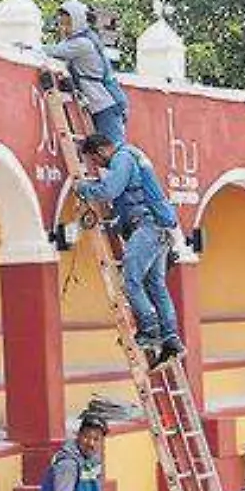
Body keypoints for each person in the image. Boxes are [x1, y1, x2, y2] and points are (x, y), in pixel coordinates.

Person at [75, 132, 184, 366]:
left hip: (146, 227)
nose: (98, 166)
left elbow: (109, 191)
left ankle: (149, 329)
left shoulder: (122, 159)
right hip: (161, 227)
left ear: (102, 151)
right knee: (156, 286)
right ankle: (171, 340)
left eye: (95, 161)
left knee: (130, 280)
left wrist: (83, 188)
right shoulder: (135, 154)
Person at [40, 0, 128, 144]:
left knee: (113, 148)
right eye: (62, 23)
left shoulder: (82, 44)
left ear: (78, 21)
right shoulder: (82, 38)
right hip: (99, 103)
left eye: (68, 23)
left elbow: (54, 51)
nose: (64, 28)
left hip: (104, 103)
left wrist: (27, 46)